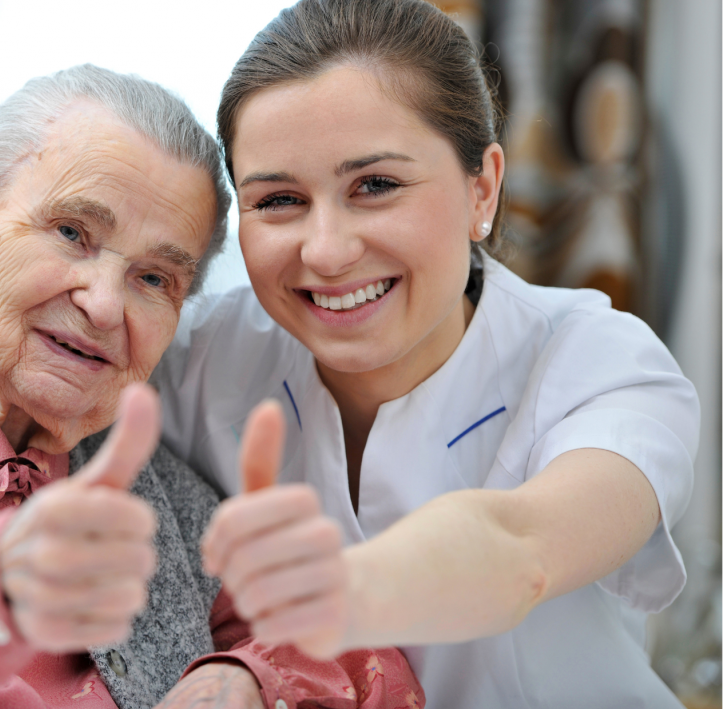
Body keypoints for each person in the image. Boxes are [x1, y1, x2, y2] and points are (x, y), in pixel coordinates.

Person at [0, 65, 423, 708]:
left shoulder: (162, 501)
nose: (104, 303)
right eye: (71, 231)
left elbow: (368, 658)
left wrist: (244, 678)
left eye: (155, 278)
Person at [151, 2, 699, 707]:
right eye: (279, 199)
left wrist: (305, 626)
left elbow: (522, 549)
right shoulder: (203, 356)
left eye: (375, 186)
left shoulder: (600, 363)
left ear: (484, 188)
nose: (325, 250)